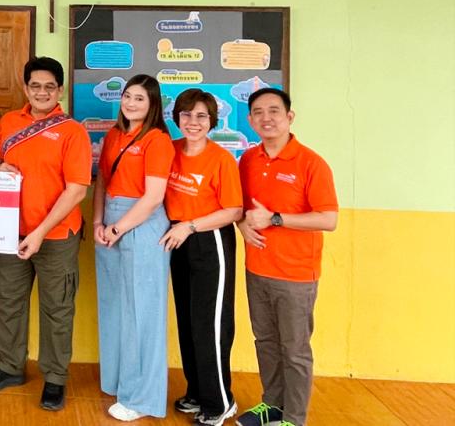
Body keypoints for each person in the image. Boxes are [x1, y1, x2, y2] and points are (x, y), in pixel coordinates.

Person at [0, 57, 91, 412]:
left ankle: (55, 378)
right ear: (26, 88)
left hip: (56, 236)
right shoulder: (9, 122)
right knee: (9, 303)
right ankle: (10, 367)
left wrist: (40, 231)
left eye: (49, 87)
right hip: (9, 232)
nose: (42, 92)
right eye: (35, 86)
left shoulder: (73, 131)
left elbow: (76, 190)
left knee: (58, 309)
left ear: (60, 90)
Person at [236, 89, 337, 426]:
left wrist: (276, 218)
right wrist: (241, 225)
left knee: (294, 350)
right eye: (259, 112)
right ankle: (272, 405)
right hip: (257, 269)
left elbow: (328, 219)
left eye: (274, 111)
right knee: (265, 342)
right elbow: (238, 207)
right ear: (250, 121)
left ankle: (294, 418)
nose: (267, 118)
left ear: (289, 117)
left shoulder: (311, 163)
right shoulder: (248, 160)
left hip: (296, 276)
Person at [92, 73, 174, 421]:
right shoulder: (112, 135)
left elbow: (154, 197)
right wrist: (99, 223)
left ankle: (142, 398)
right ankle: (118, 379)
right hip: (109, 221)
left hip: (140, 224)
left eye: (140, 98)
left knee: (143, 313)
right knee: (114, 306)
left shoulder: (157, 140)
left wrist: (118, 227)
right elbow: (102, 184)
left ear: (152, 104)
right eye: (128, 96)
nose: (131, 103)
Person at [160, 89, 243, 425]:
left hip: (210, 241)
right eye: (186, 115)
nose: (192, 122)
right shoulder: (171, 150)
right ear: (176, 117)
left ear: (212, 121)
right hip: (178, 239)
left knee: (211, 324)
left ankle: (220, 402)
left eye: (200, 117)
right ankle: (197, 392)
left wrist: (191, 226)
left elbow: (233, 210)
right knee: (189, 321)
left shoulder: (220, 158)